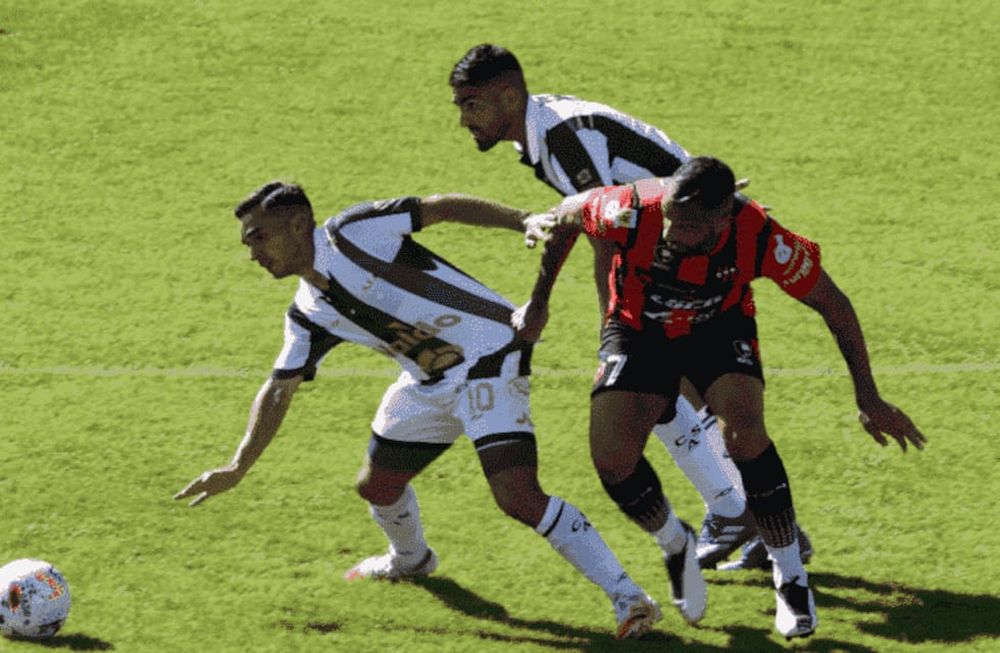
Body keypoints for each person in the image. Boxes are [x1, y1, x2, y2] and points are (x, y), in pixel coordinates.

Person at [173, 181, 675, 639]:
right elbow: (278, 389)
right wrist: (238, 465)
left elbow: (439, 208)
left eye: (259, 238)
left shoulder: (352, 233)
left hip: (489, 354)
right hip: (429, 381)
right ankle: (411, 559)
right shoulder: (307, 313)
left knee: (518, 495)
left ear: (297, 223)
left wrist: (522, 219)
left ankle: (630, 598)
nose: (253, 253)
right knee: (376, 486)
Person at [517, 156, 927, 639]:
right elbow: (568, 215)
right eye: (670, 217)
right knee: (611, 458)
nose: (672, 232)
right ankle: (675, 542)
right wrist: (539, 301)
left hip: (717, 330)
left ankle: (791, 576)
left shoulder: (760, 236)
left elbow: (833, 304)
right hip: (637, 330)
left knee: (745, 433)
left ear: (723, 217)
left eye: (688, 225)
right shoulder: (632, 208)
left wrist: (869, 397)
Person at [448, 43, 810, 570]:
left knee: (658, 387)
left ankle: (760, 522)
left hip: (689, 252)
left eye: (472, 104)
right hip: (680, 244)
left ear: (508, 95)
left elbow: (607, 226)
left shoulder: (560, 138)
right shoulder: (545, 128)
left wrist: (600, 320)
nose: (463, 119)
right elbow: (607, 218)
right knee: (669, 392)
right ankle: (742, 515)